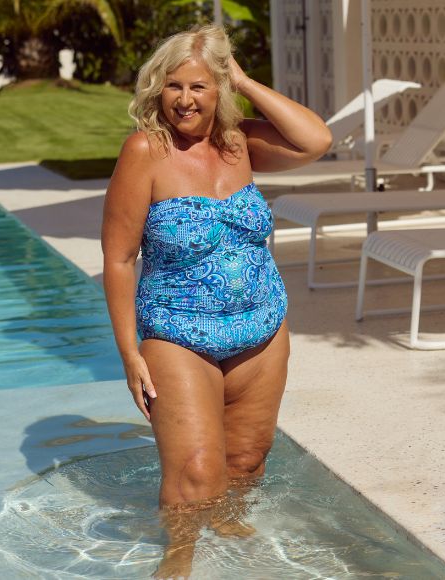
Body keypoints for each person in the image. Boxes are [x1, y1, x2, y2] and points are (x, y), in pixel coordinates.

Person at [101, 25, 332, 578]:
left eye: (200, 86)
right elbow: (117, 258)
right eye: (173, 85)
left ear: (220, 89)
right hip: (178, 333)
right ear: (157, 89)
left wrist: (248, 81)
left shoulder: (240, 143)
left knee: (247, 462)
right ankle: (177, 561)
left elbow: (315, 141)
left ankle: (230, 543)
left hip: (262, 328)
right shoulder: (145, 153)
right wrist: (129, 352)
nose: (185, 100)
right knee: (196, 476)